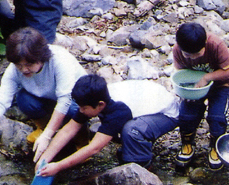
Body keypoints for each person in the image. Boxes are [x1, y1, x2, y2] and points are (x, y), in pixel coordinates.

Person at [0, 27, 87, 163]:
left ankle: (82, 140)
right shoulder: (14, 69)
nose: (24, 69)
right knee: (23, 99)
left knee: (73, 108)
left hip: (76, 101)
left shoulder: (59, 60)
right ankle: (42, 128)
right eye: (19, 65)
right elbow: (0, 101)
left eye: (29, 64)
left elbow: (65, 100)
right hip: (48, 98)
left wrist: (48, 135)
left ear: (41, 57)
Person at [36, 75, 179, 177]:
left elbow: (94, 148)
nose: (81, 111)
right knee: (125, 130)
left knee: (131, 130)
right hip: (145, 104)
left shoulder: (117, 111)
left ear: (100, 105)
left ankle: (144, 164)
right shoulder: (94, 97)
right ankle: (134, 148)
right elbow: (68, 130)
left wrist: (58, 166)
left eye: (84, 108)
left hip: (167, 114)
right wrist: (45, 159)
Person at [173, 22, 229, 171]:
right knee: (186, 115)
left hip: (220, 84)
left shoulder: (215, 45)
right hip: (195, 86)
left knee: (217, 117)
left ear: (205, 43)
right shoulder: (178, 50)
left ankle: (215, 145)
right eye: (189, 55)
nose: (193, 58)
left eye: (198, 54)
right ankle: (187, 143)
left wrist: (208, 77)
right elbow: (181, 73)